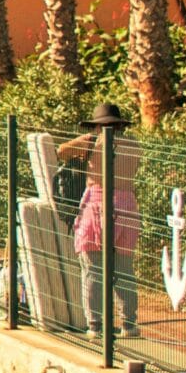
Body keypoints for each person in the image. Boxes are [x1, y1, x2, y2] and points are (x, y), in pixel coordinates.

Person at [60, 124, 141, 336]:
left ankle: (95, 324)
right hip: (127, 205)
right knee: (124, 269)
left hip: (97, 204)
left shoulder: (93, 141)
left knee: (93, 267)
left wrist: (85, 141)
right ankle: (129, 323)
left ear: (98, 126)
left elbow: (61, 151)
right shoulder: (132, 144)